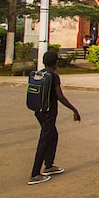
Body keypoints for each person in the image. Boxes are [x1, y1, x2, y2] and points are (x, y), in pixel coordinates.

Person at [28, 51, 81, 185]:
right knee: (44, 140)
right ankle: (35, 174)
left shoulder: (40, 74)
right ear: (55, 62)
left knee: (53, 135)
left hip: (39, 111)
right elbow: (60, 96)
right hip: (48, 113)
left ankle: (49, 165)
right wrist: (74, 109)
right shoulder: (54, 76)